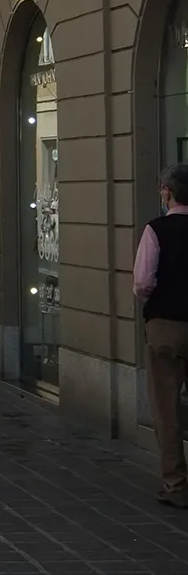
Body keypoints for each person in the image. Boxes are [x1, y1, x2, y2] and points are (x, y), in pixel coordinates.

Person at [135, 163, 188, 509]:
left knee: (166, 408)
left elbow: (142, 282)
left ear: (167, 193)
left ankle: (177, 486)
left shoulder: (156, 231)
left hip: (167, 325)